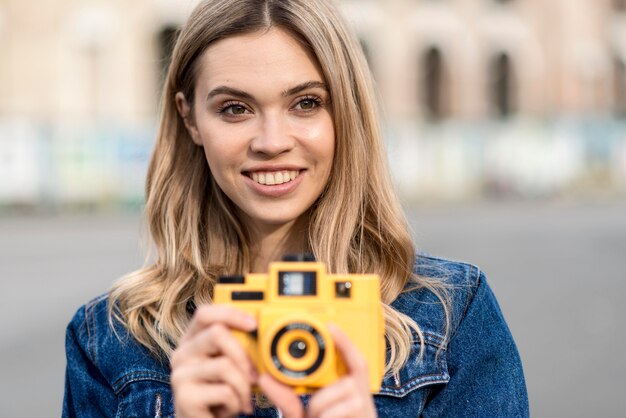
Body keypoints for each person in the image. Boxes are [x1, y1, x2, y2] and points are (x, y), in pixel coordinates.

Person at [63, 0, 529, 416]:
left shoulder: (449, 314)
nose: (272, 142)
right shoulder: (112, 338)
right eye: (234, 109)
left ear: (345, 110)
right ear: (190, 118)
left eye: (306, 103)